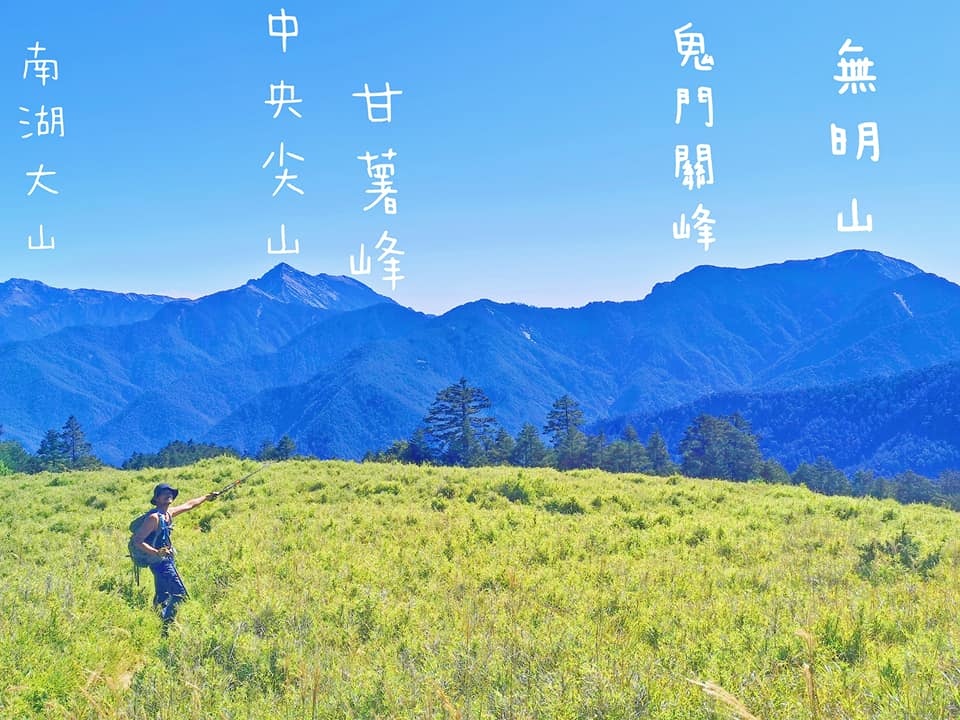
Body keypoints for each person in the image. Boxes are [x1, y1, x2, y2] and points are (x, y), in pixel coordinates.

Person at [131, 483, 219, 634]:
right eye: (165, 493)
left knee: (162, 594)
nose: (169, 495)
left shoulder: (169, 513)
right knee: (180, 594)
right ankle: (166, 627)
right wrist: (156, 552)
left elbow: (189, 505)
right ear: (157, 498)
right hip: (159, 562)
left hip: (166, 559)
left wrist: (206, 497)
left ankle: (155, 622)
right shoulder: (153, 518)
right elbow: (137, 541)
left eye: (170, 493)